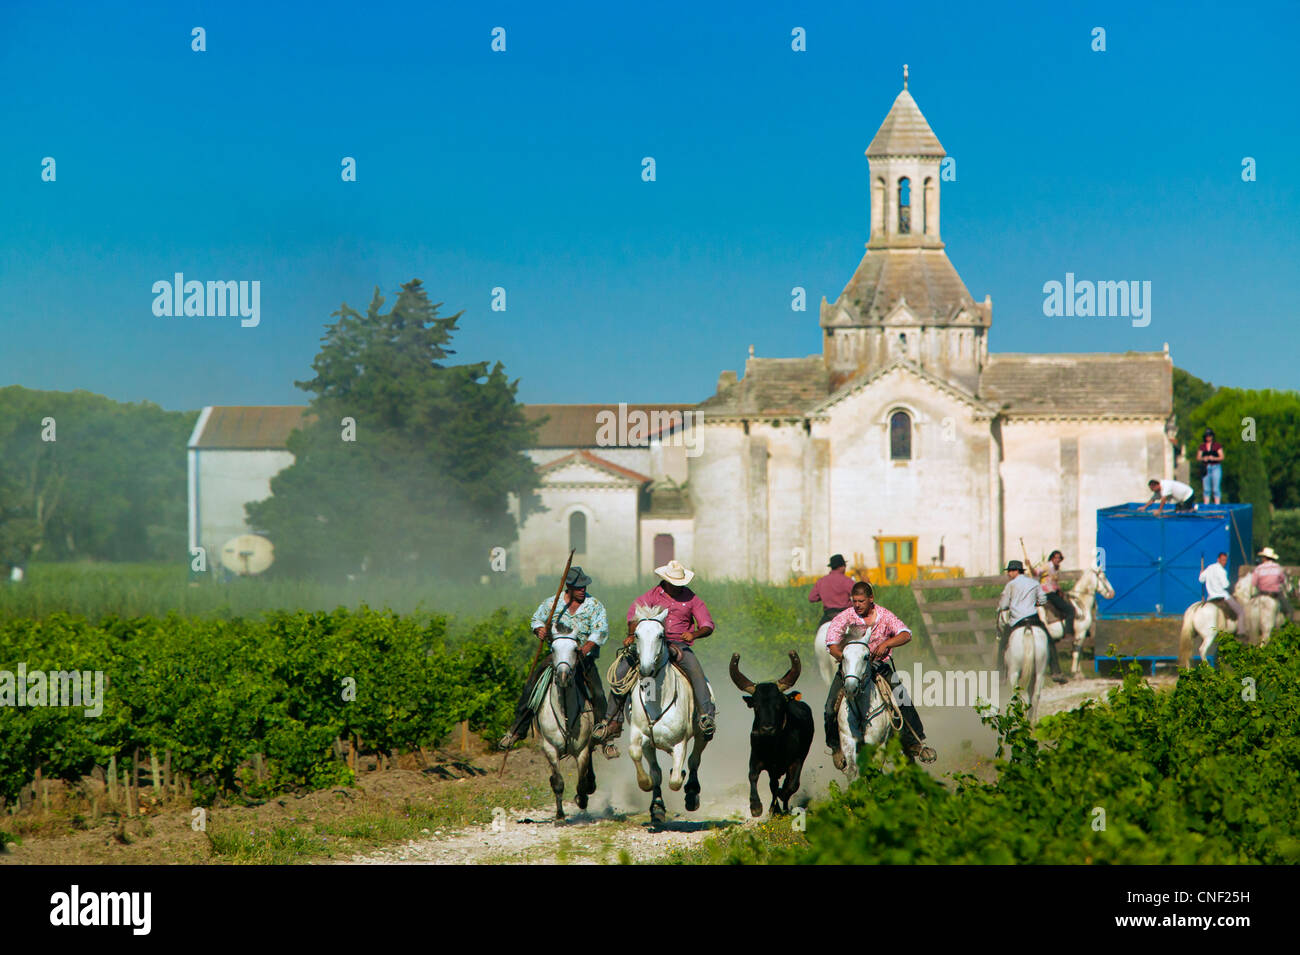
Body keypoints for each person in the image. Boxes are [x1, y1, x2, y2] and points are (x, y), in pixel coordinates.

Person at [593, 560, 717, 744]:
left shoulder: (692, 599)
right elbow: (634, 616)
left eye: (680, 584)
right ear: (666, 581)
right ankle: (612, 721)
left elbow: (707, 624)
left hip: (678, 643)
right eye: (674, 583)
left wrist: (694, 634)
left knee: (695, 670)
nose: (677, 587)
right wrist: (630, 634)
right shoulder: (651, 596)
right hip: (648, 643)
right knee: (621, 671)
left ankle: (706, 716)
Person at [823, 580, 936, 767]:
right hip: (851, 669)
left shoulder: (884, 616)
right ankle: (836, 748)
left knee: (902, 698)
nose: (857, 605)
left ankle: (915, 741)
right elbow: (831, 643)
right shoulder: (845, 617)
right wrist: (846, 658)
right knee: (829, 708)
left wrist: (886, 644)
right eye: (854, 601)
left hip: (879, 666)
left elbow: (906, 633)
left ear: (871, 599)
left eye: (861, 601)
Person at [498, 566, 608, 750]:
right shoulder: (552, 604)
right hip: (557, 656)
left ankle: (603, 733)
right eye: (578, 587)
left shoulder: (594, 605)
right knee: (531, 687)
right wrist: (539, 629)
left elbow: (600, 630)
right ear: (569, 587)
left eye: (584, 587)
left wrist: (587, 647)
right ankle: (517, 730)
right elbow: (536, 619)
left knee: (597, 692)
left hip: (581, 657)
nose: (583, 590)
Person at [996, 559, 1066, 682]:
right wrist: (1035, 603)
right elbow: (1043, 600)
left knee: (1003, 644)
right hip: (1034, 620)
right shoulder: (1034, 583)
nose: (1009, 574)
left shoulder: (1010, 585)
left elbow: (1003, 605)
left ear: (1016, 571)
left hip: (1016, 621)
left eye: (1010, 571)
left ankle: (1001, 675)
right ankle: (1056, 671)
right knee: (1049, 642)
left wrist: (1009, 604)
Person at [1027, 549, 1077, 648]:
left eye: (1059, 558)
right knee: (1070, 610)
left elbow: (1053, 582)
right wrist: (1029, 566)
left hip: (1054, 592)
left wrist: (1060, 590)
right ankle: (1068, 634)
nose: (1057, 560)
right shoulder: (1047, 565)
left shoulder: (1056, 568)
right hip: (1048, 593)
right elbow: (1036, 573)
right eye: (1055, 558)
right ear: (1052, 558)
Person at [808, 554, 855, 626]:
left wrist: (825, 595)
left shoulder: (821, 581)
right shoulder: (847, 581)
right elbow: (860, 595)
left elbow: (812, 598)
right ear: (842, 566)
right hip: (845, 616)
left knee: (818, 632)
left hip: (828, 616)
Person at [1251, 547, 1293, 619]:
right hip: (1274, 594)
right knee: (1289, 610)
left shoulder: (1258, 568)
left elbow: (1254, 583)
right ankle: (1288, 626)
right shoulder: (1278, 568)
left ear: (1264, 558)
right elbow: (1282, 580)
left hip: (1261, 594)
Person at [1198, 552, 1242, 622]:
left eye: (1225, 560)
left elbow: (1201, 579)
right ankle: (1241, 632)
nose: (1224, 562)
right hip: (1223, 597)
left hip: (1211, 598)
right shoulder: (1222, 571)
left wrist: (1201, 573)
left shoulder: (1209, 568)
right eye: (1223, 560)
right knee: (1240, 611)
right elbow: (1226, 585)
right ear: (1218, 560)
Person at [1196, 428, 1225, 505]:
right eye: (1207, 436)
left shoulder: (1217, 445)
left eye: (1209, 436)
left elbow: (1222, 457)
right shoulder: (1202, 446)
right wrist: (1203, 458)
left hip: (1215, 467)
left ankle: (1217, 505)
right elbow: (1198, 457)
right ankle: (1206, 504)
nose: (1208, 437)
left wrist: (1214, 458)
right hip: (1206, 468)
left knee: (1216, 488)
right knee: (1206, 489)